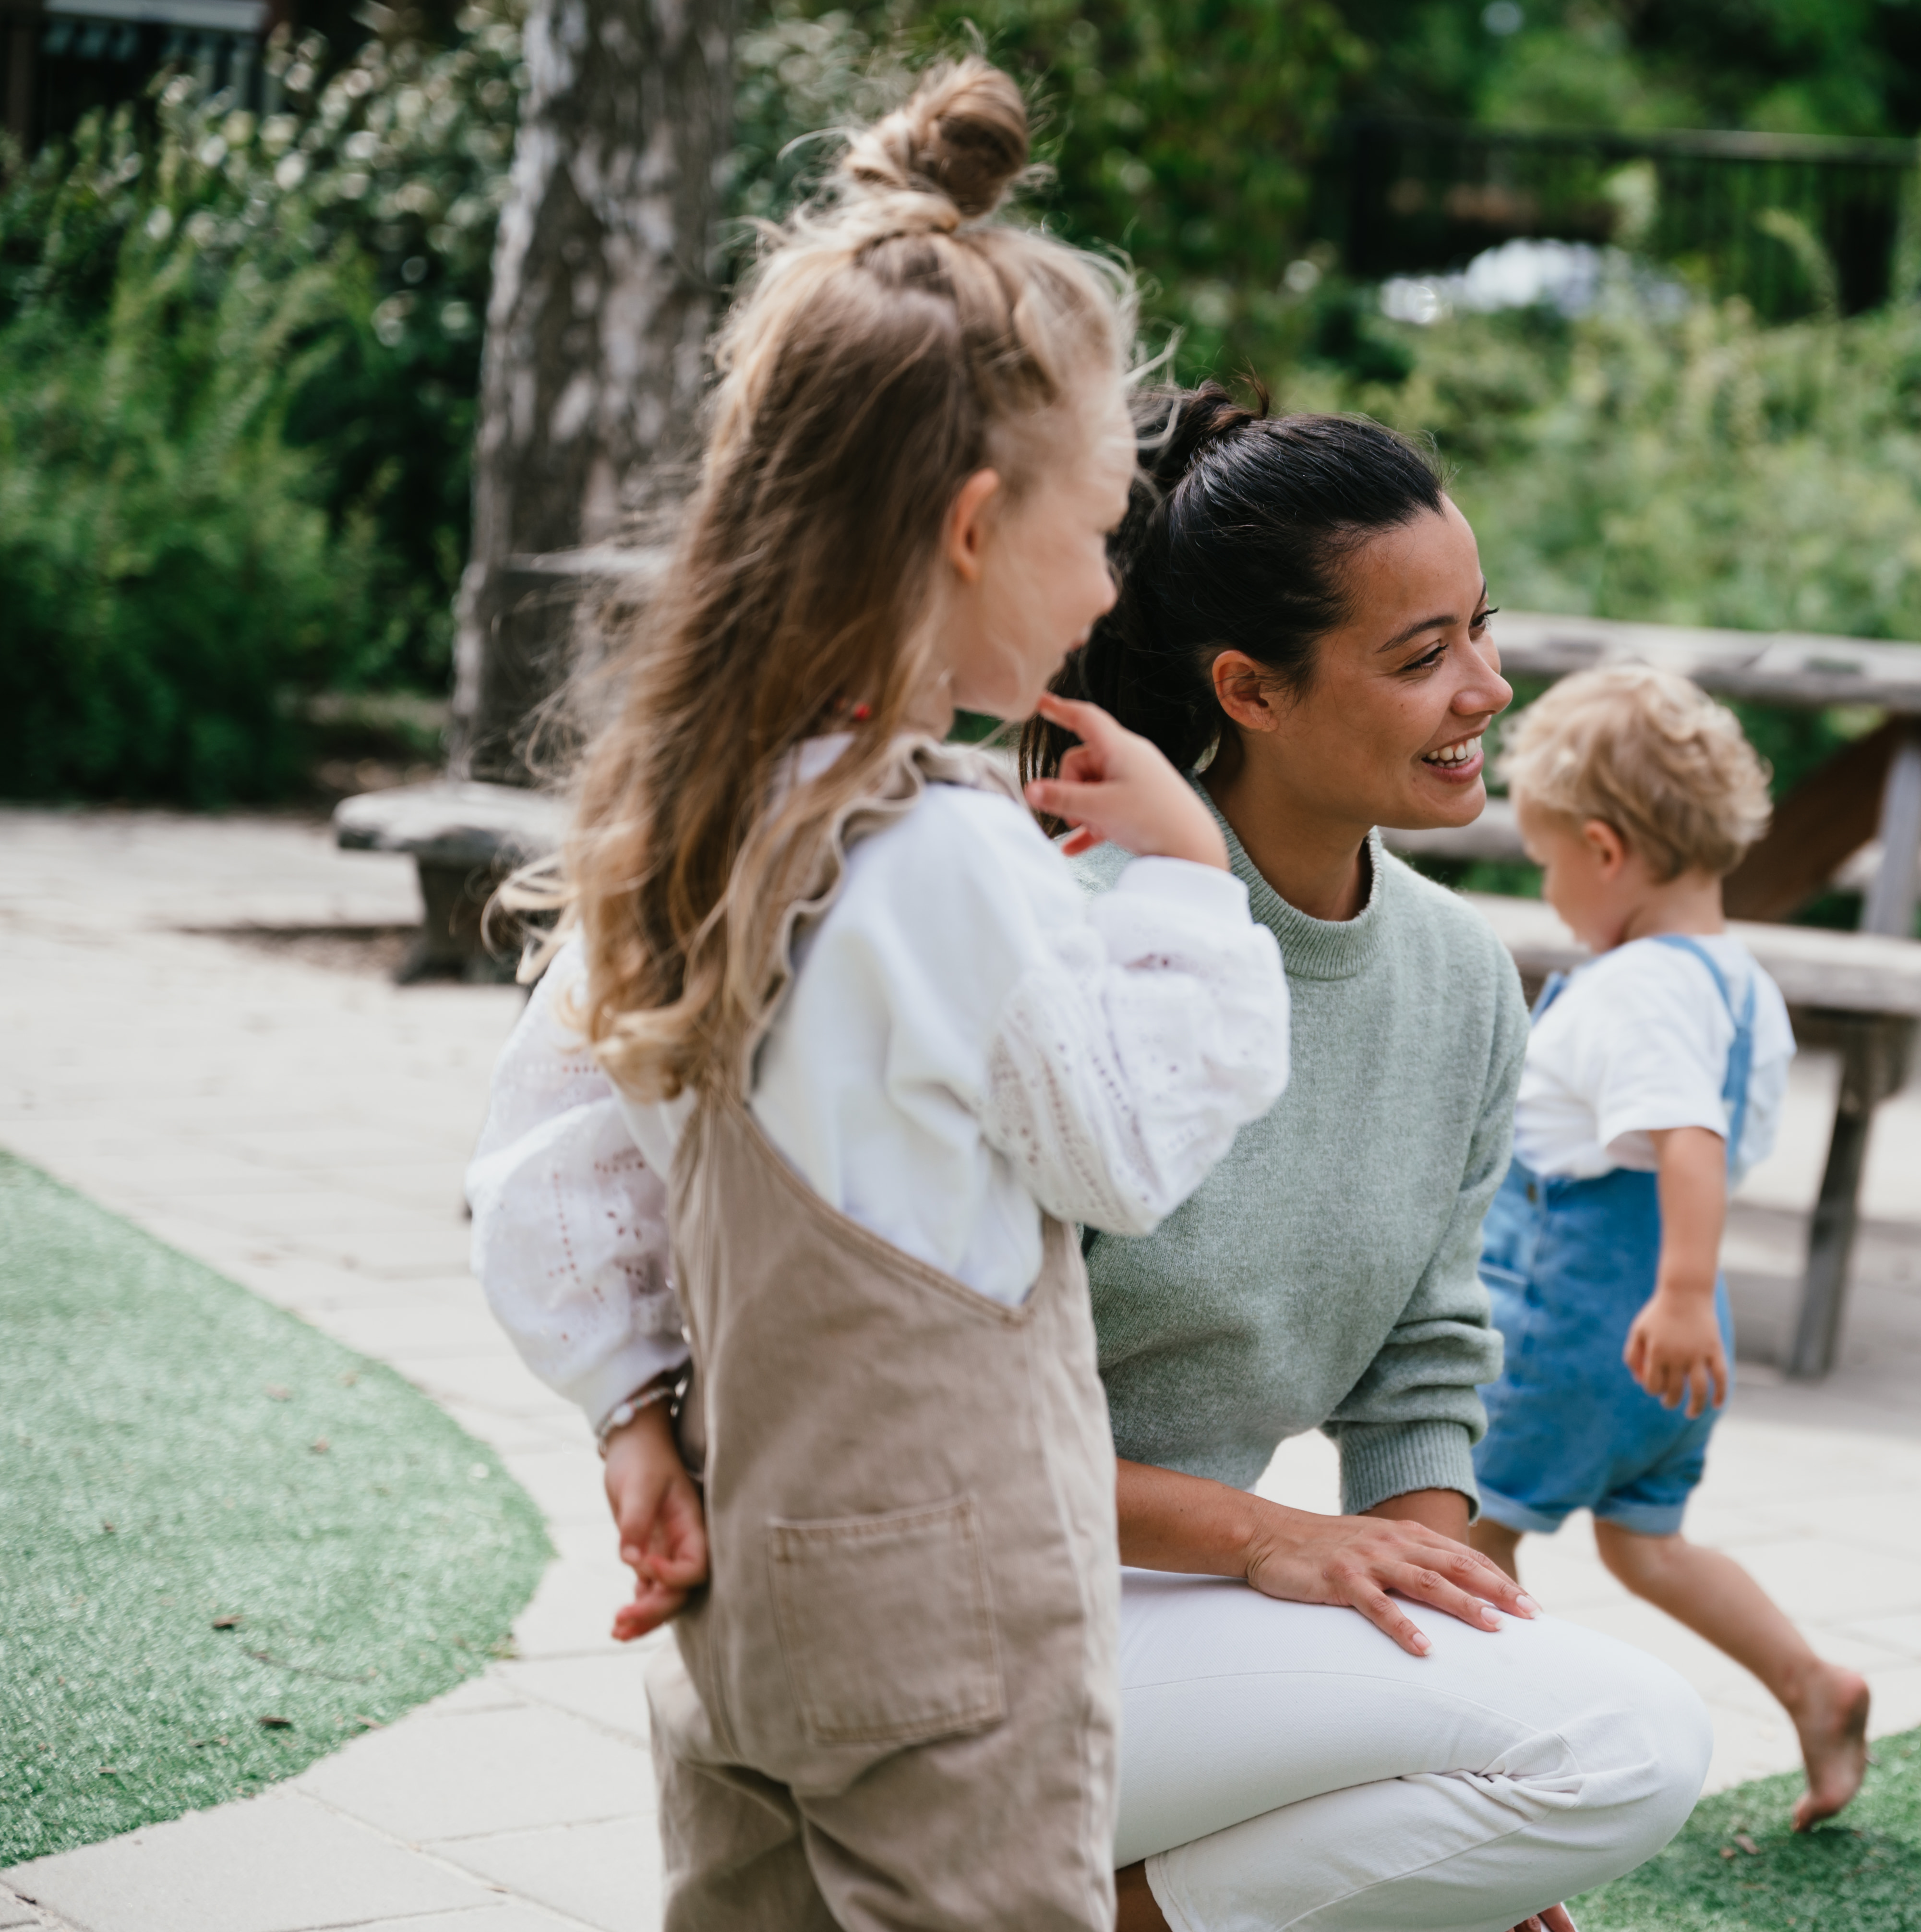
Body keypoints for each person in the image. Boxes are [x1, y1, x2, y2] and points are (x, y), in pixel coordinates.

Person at [472, 381, 1713, 1932]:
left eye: (1480, 626)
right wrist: (1281, 1555)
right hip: (979, 1603)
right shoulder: (1065, 933)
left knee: (1555, 1751)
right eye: (1420, 654)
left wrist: (1430, 1765)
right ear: (1247, 689)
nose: (1485, 687)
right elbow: (950, 1388)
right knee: (1626, 1741)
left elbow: (1425, 1358)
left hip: (1194, 1617)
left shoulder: (1461, 978)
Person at [470, 61, 1300, 1931]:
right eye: (1095, 530)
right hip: (955, 1619)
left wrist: (628, 1412)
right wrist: (1184, 883)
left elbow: (547, 1158)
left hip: (740, 1587)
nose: (1103, 590)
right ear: (970, 526)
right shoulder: (946, 857)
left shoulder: (690, 814)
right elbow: (1123, 1147)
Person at [1457, 666, 1871, 1833]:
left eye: (1545, 862)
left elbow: (1687, 1135)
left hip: (1585, 1323)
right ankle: (1811, 1683)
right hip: (1674, 1341)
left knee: (1460, 1537)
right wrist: (1688, 1296)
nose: (1547, 890)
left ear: (1604, 849)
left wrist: (1677, 1288)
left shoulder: (1636, 989)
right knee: (1647, 1545)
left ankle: (1513, 1749)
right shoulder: (1742, 982)